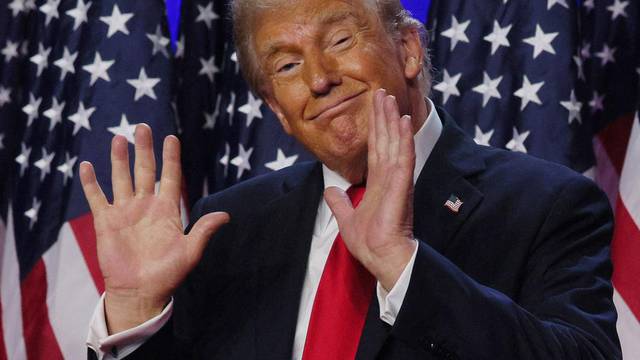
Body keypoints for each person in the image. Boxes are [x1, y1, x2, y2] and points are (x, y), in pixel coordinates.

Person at [83, 0, 621, 359]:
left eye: (340, 40)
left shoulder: (547, 204)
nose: (319, 79)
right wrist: (134, 308)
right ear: (276, 108)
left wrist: (400, 264)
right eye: (287, 67)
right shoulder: (228, 228)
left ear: (409, 49)